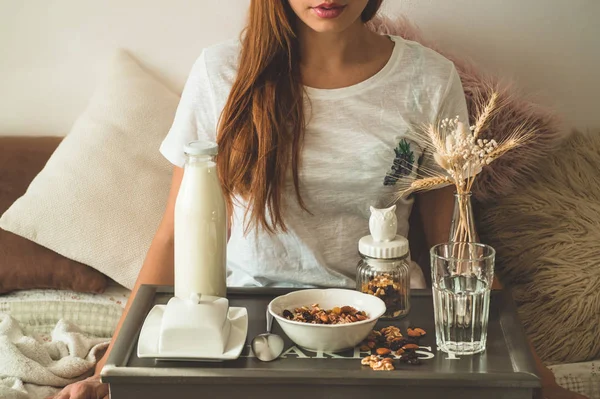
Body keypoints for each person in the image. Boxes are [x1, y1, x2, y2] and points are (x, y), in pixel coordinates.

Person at [50, 1, 587, 398]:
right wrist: (105, 372)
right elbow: (174, 231)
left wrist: (541, 381)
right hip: (250, 321)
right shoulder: (222, 73)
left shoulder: (428, 79)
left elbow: (456, 245)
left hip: (385, 322)